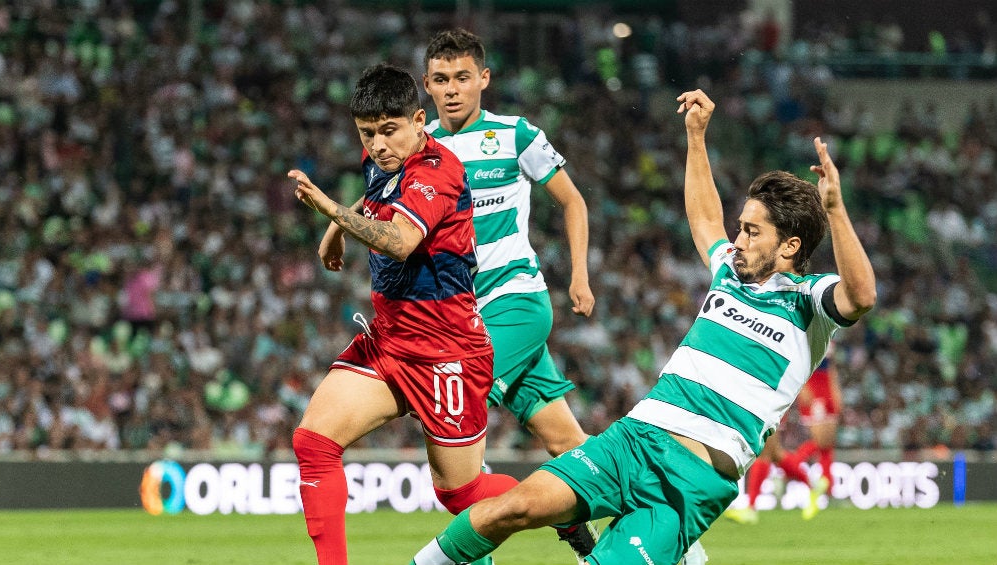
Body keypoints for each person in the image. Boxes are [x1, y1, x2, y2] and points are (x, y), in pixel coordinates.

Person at [408, 89, 876, 565]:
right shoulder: (730, 272)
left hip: (691, 484)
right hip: (633, 439)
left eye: (752, 232)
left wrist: (836, 211)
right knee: (515, 507)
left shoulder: (808, 303)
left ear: (791, 247)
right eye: (741, 226)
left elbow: (861, 296)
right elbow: (704, 216)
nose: (736, 240)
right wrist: (696, 136)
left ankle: (680, 548)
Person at [289, 63, 518, 565]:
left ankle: (566, 505)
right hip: (390, 342)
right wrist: (339, 232)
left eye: (389, 131)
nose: (377, 144)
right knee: (313, 442)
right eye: (367, 134)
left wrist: (330, 213)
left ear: (420, 120)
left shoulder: (438, 169)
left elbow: (401, 241)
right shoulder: (384, 160)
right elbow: (375, 196)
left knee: (461, 495)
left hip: (447, 352)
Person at [420, 28, 600, 561]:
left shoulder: (516, 135)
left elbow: (574, 203)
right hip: (463, 316)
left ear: (484, 79)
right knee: (568, 444)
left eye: (462, 78)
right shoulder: (420, 149)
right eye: (440, 80)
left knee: (454, 424)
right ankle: (657, 526)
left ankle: (468, 554)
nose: (452, 89)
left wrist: (580, 277)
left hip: (517, 301)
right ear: (427, 86)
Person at [725, 343, 841, 524]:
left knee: (767, 452)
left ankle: (751, 507)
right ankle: (813, 484)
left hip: (771, 392)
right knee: (774, 453)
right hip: (769, 390)